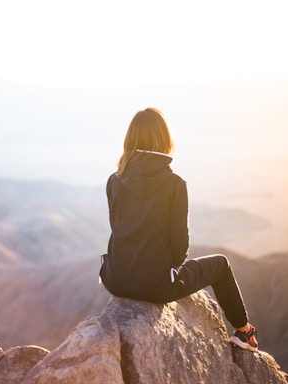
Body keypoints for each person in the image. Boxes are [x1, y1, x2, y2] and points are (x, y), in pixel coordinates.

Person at [99, 107, 258, 351]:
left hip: (114, 279)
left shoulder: (114, 179)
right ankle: (244, 331)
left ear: (130, 140)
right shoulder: (175, 184)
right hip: (156, 286)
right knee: (221, 265)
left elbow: (119, 228)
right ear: (165, 140)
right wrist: (169, 271)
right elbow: (180, 247)